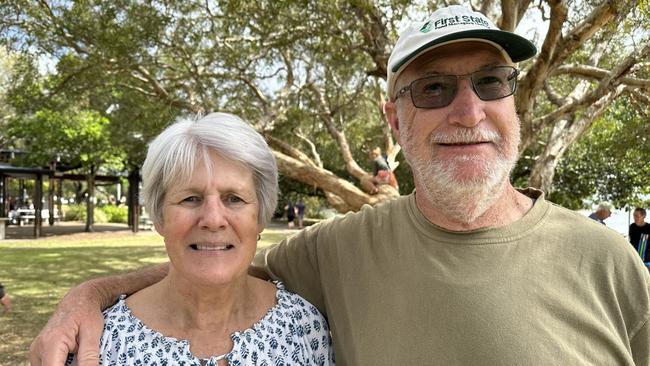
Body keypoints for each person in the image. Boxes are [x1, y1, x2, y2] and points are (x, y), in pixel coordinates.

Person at [30, 5, 649, 366]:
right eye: (433, 88)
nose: (468, 111)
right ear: (393, 119)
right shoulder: (338, 253)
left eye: (491, 82)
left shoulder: (610, 264)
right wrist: (90, 294)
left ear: (515, 101)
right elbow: (216, 259)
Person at [63, 113, 333, 365]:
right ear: (159, 217)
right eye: (191, 198)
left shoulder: (303, 327)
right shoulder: (100, 343)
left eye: (234, 199)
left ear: (260, 216)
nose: (213, 219)